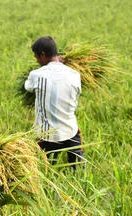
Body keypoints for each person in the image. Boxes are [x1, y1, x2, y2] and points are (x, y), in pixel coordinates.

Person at [24, 36, 84, 167]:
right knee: (79, 169)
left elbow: (27, 87)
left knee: (45, 168)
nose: (36, 60)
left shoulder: (36, 75)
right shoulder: (75, 75)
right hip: (70, 131)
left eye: (36, 57)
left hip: (47, 135)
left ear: (43, 55)